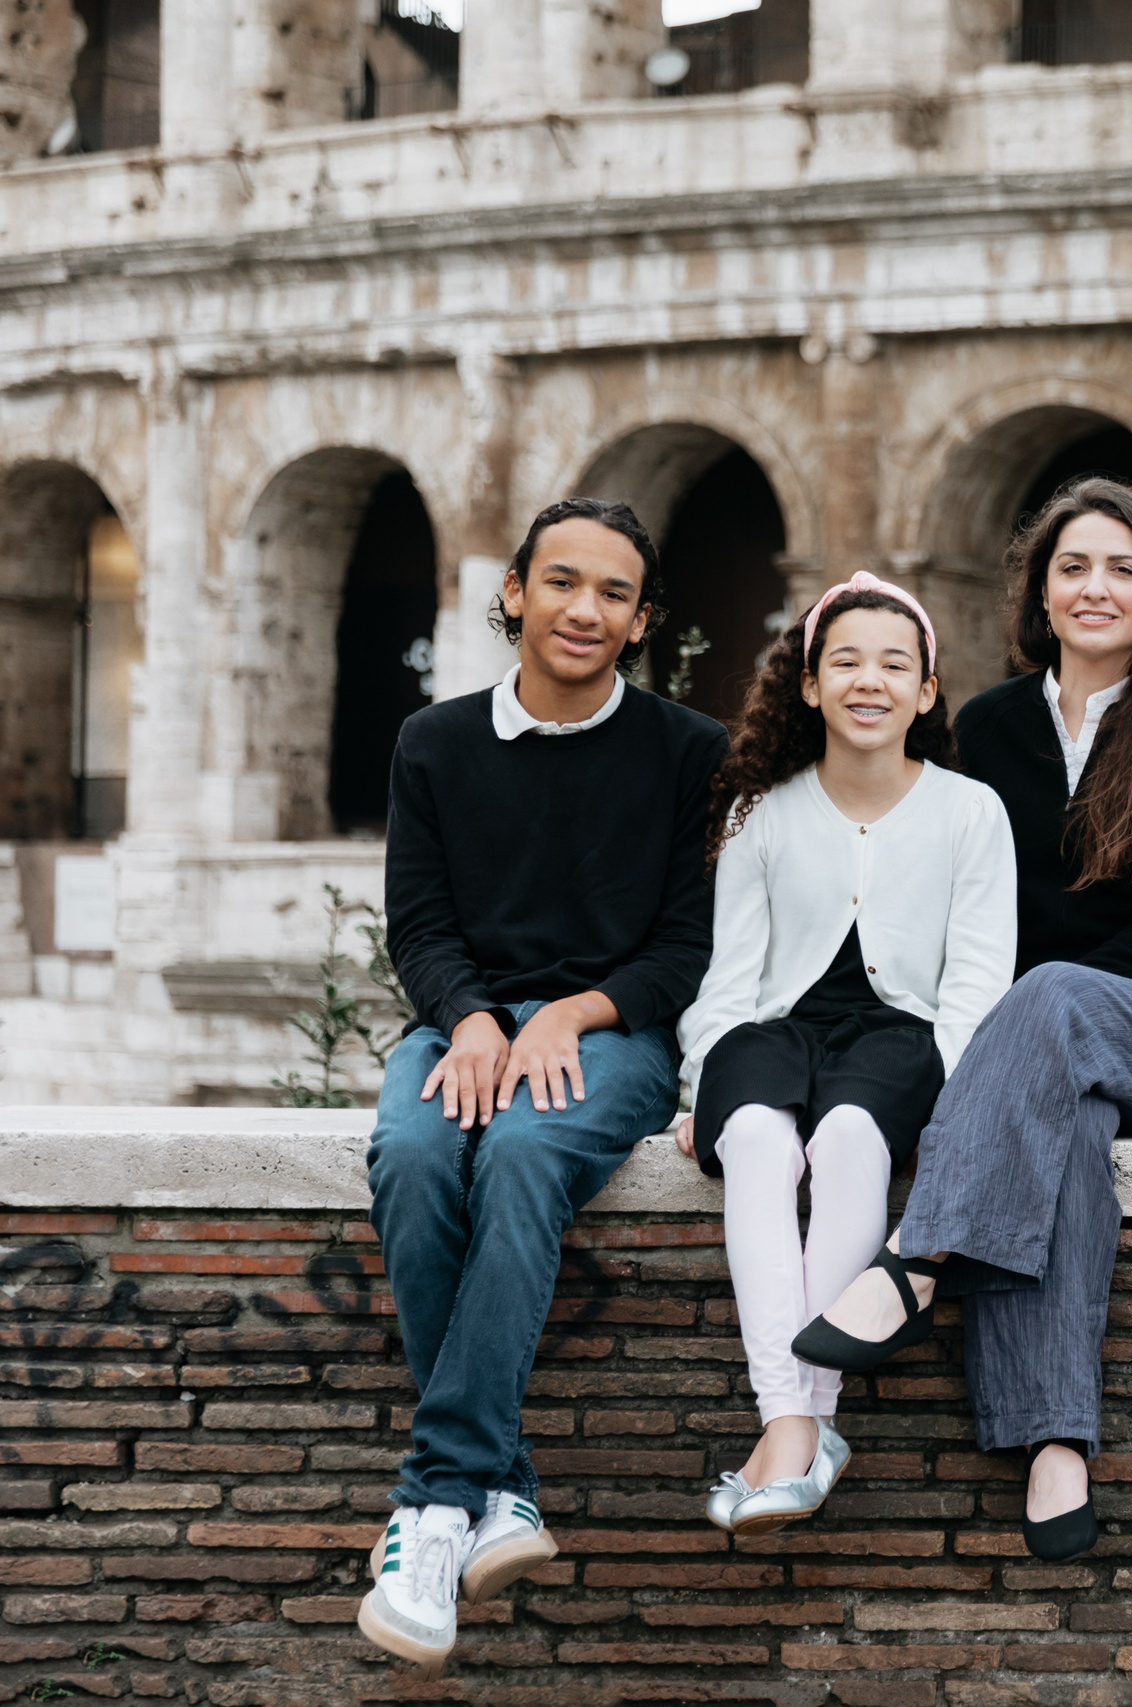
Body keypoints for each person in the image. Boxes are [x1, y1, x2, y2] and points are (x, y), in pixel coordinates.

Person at [793, 477, 1132, 1563]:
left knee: (1053, 1000)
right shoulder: (989, 727)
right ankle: (1055, 1439)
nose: (1096, 588)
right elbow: (948, 901)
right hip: (1032, 1055)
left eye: (1122, 568)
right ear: (1040, 594)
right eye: (1073, 567)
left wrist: (1032, 1007)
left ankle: (918, 1256)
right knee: (1066, 1141)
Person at [358, 499, 726, 1676]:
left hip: (609, 1030)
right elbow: (416, 927)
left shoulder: (689, 752)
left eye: (613, 593)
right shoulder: (434, 743)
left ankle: (429, 1506)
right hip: (464, 1023)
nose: (584, 610)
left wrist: (568, 1012)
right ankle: (500, 1490)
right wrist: (468, 1019)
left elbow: (683, 948)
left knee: (522, 1155)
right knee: (414, 1156)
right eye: (561, 582)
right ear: (513, 590)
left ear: (641, 619)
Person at [672, 575, 1014, 1536]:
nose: (872, 681)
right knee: (756, 1144)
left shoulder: (971, 812)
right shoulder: (758, 809)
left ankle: (798, 1425)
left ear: (928, 690)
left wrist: (946, 1092)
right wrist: (702, 1079)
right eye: (847, 662)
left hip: (901, 1037)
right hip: (772, 1030)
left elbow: (977, 987)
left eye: (895, 665)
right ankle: (798, 1421)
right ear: (812, 685)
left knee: (855, 1141)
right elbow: (730, 979)